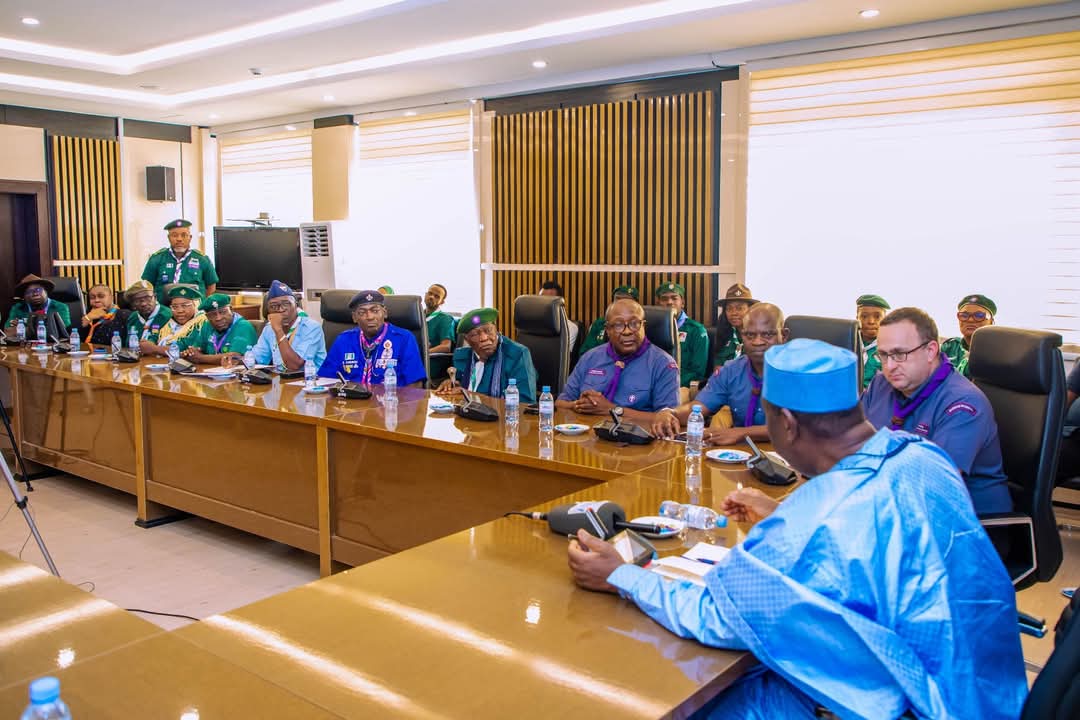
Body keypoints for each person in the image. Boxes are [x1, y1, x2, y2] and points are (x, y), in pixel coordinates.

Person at [567, 339, 1027, 719]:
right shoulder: (922, 457)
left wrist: (619, 574)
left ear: (785, 423)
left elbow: (714, 617)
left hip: (912, 702)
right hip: (985, 689)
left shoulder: (809, 522)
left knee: (673, 692)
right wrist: (783, 513)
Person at [862, 307, 1012, 514]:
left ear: (931, 350)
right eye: (883, 355)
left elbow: (932, 486)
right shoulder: (881, 384)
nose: (889, 366)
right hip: (893, 507)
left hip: (961, 524)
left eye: (899, 354)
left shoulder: (963, 403)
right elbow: (849, 442)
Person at [652, 303, 787, 446]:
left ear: (784, 335)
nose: (757, 342)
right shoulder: (731, 370)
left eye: (767, 334)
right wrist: (670, 413)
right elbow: (698, 406)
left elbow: (793, 428)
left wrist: (741, 433)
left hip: (790, 457)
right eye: (750, 335)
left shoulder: (802, 374)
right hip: (741, 456)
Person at [556, 298, 679, 423]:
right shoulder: (590, 358)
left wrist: (613, 410)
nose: (627, 331)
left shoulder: (663, 364)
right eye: (618, 325)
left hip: (637, 439)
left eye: (634, 323)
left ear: (643, 326)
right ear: (608, 330)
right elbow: (561, 403)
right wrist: (579, 405)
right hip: (588, 437)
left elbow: (668, 419)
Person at [318, 290, 426, 386]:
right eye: (362, 312)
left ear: (385, 313)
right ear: (354, 317)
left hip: (391, 404)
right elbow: (326, 379)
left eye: (375, 311)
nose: (370, 317)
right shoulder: (343, 340)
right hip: (351, 405)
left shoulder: (404, 338)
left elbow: (415, 384)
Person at [435, 307, 537, 403]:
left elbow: (525, 401)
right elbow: (460, 386)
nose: (484, 338)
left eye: (488, 330)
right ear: (467, 340)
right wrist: (450, 384)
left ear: (496, 329)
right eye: (475, 334)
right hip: (468, 414)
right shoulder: (462, 357)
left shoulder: (517, 354)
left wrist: (471, 395)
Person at [242, 280, 325, 371]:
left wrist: (278, 331)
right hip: (281, 382)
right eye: (274, 306)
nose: (281, 310)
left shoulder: (311, 327)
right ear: (268, 311)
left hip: (311, 380)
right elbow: (257, 358)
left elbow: (294, 366)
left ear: (296, 305)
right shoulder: (269, 329)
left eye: (286, 304)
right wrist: (236, 359)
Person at [140, 219, 219, 304]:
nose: (179, 239)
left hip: (194, 311)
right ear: (168, 238)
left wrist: (201, 305)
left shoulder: (202, 259)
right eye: (174, 235)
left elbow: (211, 286)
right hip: (165, 310)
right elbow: (147, 286)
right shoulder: (157, 258)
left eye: (184, 235)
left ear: (190, 237)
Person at [654, 280, 708, 389]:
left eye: (674, 298)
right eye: (664, 299)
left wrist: (669, 381)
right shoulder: (651, 329)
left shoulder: (697, 331)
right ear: (658, 303)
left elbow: (698, 372)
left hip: (682, 387)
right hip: (654, 384)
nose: (669, 302)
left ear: (682, 303)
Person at [181, 294, 258, 365]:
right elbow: (197, 349)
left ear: (231, 310)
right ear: (207, 317)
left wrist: (200, 358)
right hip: (210, 373)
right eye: (213, 315)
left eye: (223, 312)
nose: (218, 318)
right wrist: (190, 353)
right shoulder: (207, 325)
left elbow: (234, 357)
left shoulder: (243, 326)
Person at [941, 294, 996, 378]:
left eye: (979, 315)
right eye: (964, 315)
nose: (970, 319)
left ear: (991, 322)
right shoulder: (950, 347)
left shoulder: (997, 353)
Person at [4, 274, 71, 340]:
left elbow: (62, 330)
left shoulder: (60, 307)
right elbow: (8, 332)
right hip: (26, 347)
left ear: (46, 292)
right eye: (29, 291)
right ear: (24, 296)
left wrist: (26, 327)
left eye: (38, 290)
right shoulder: (18, 308)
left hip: (53, 345)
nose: (35, 294)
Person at [579, 285, 640, 354]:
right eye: (618, 299)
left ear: (636, 305)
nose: (621, 304)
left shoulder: (641, 325)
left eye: (627, 301)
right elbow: (585, 353)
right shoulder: (600, 323)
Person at [713, 283, 756, 368]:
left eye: (739, 308)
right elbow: (717, 370)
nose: (733, 313)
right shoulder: (724, 334)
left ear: (750, 309)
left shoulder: (759, 338)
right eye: (729, 309)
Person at [123, 279, 172, 354]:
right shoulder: (133, 317)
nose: (144, 304)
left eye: (148, 298)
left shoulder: (167, 315)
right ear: (133, 304)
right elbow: (128, 345)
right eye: (137, 300)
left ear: (155, 297)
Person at [155, 284, 208, 352]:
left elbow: (183, 345)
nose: (180, 311)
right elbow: (155, 335)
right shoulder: (169, 321)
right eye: (175, 307)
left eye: (185, 306)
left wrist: (154, 348)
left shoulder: (201, 322)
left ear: (195, 305)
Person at [855, 294, 890, 390]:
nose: (870, 321)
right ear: (857, 318)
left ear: (885, 320)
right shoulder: (848, 344)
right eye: (864, 316)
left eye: (877, 316)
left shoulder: (890, 349)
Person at [539, 280, 578, 350]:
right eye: (541, 299)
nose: (544, 303)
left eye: (549, 300)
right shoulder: (531, 325)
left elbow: (562, 357)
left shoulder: (569, 328)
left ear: (560, 303)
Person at [424, 284, 456, 354]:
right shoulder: (417, 315)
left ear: (442, 302)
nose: (431, 297)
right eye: (430, 293)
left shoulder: (445, 319)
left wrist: (423, 354)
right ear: (425, 294)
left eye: (437, 296)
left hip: (430, 360)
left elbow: (446, 347)